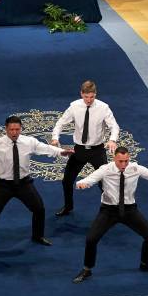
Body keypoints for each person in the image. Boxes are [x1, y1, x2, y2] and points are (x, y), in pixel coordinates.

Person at [0, 115, 73, 255]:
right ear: (6, 129)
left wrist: (62, 152)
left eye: (17, 129)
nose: (14, 132)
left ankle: (38, 236)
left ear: (21, 129)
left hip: (24, 184)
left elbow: (46, 148)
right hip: (4, 186)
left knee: (39, 208)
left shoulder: (29, 141)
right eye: (11, 129)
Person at [72, 147, 148, 284]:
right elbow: (90, 179)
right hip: (108, 211)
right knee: (91, 239)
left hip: (130, 210)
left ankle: (145, 263)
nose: (124, 165)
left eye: (126, 161)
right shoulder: (105, 169)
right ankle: (87, 269)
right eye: (120, 161)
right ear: (114, 158)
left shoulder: (135, 168)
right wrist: (82, 184)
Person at [51, 81, 119, 217]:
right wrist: (55, 137)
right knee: (67, 180)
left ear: (95, 94)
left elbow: (114, 126)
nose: (89, 100)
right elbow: (60, 123)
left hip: (97, 151)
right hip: (79, 150)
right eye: (86, 97)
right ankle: (68, 207)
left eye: (92, 97)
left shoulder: (103, 107)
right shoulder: (74, 106)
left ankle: (112, 209)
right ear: (81, 94)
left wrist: (112, 140)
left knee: (105, 182)